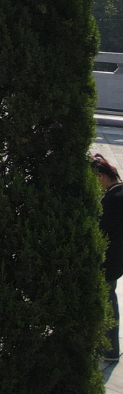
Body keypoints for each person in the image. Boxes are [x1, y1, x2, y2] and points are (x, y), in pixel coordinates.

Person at [96, 153, 123, 363]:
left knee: (107, 300)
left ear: (101, 176)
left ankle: (110, 348)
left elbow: (103, 230)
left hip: (111, 258)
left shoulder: (111, 200)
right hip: (117, 257)